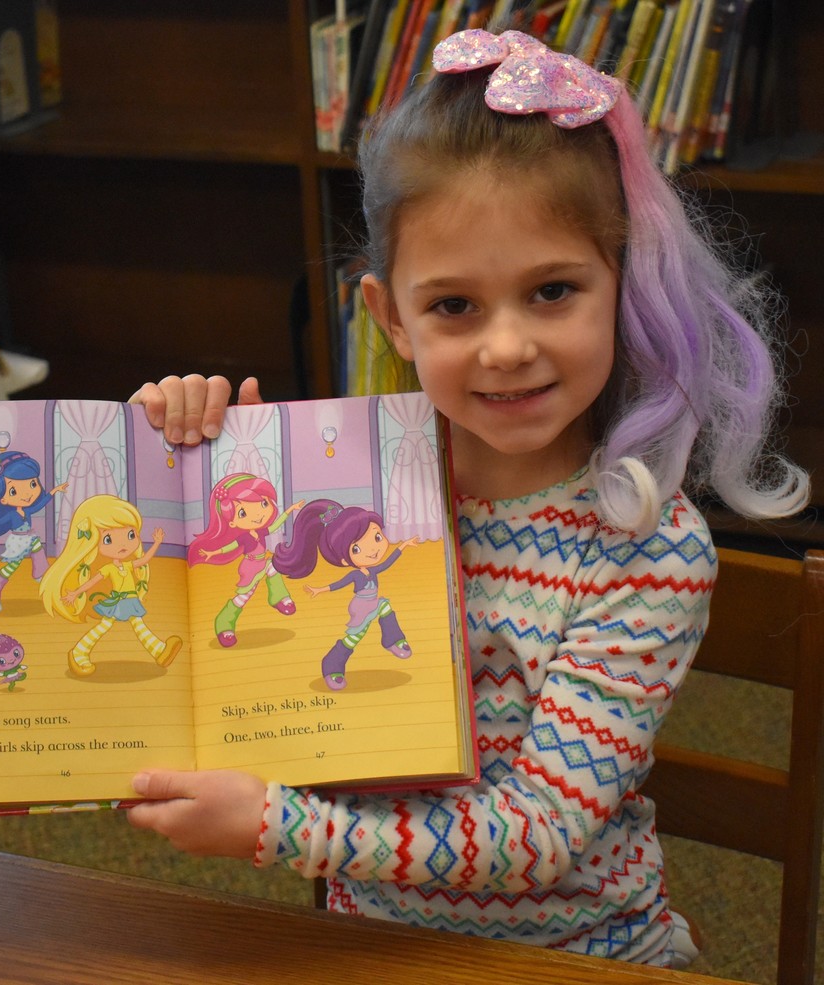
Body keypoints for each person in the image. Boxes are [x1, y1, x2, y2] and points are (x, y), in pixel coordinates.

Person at [122, 29, 809, 969]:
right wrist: (172, 455)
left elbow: (536, 835)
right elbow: (247, 671)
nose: (507, 347)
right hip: (371, 948)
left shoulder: (647, 543)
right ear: (391, 317)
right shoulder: (341, 488)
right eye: (454, 306)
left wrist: (276, 826)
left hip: (580, 957)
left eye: (553, 290)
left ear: (623, 284)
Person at [273, 499, 419, 690]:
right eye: (356, 548)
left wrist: (403, 546)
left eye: (377, 537)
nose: (374, 549)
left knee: (385, 607)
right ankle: (331, 665)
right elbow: (338, 585)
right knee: (353, 638)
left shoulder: (372, 570)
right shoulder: (355, 575)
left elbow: (387, 562)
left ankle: (393, 640)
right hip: (361, 608)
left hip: (373, 602)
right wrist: (320, 589)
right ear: (344, 560)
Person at [39, 494, 182, 675]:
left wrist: (157, 543)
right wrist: (75, 593)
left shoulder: (127, 565)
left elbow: (145, 559)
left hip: (129, 600)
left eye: (130, 535)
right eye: (108, 539)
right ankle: (78, 652)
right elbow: (92, 582)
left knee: (135, 624)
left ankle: (159, 650)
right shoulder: (108, 568)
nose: (123, 544)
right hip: (119, 601)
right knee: (107, 626)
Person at [188, 472, 303, 647]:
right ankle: (224, 623)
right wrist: (213, 553)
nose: (258, 515)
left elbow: (275, 525)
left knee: (274, 568)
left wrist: (289, 510)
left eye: (263, 504)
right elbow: (230, 547)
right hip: (250, 567)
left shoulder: (261, 530)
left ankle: (279, 598)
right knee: (243, 597)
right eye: (242, 513)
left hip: (262, 562)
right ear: (232, 523)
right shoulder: (244, 537)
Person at [0, 446, 68, 613]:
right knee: (11, 567)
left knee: (37, 545)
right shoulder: (11, 514)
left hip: (29, 538)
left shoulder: (27, 509)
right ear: (2, 498)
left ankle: (41, 573)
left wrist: (54, 491)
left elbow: (41, 503)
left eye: (32, 484)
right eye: (14, 491)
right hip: (18, 541)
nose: (27, 494)